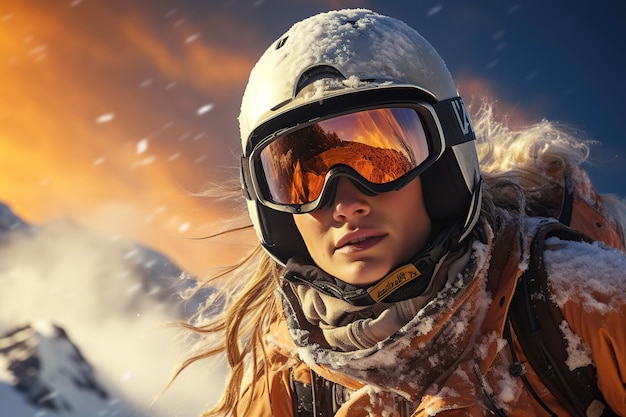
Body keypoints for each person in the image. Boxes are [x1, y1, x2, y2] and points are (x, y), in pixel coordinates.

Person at [174, 8, 626, 417]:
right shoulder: (288, 380)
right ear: (272, 210)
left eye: (382, 159)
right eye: (304, 180)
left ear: (443, 168)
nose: (345, 202)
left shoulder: (581, 303)